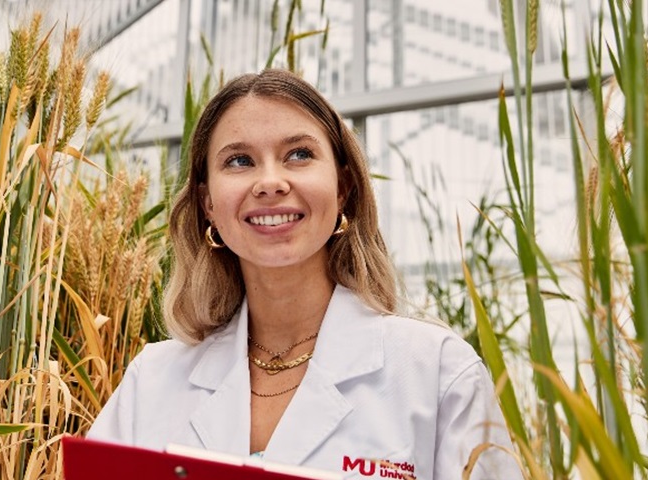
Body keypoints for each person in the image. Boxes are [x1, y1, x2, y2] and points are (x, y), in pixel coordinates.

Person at [87, 69, 521, 479]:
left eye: (299, 154)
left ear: (343, 187)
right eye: (239, 161)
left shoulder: (437, 372)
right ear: (207, 204)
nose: (270, 182)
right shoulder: (153, 381)